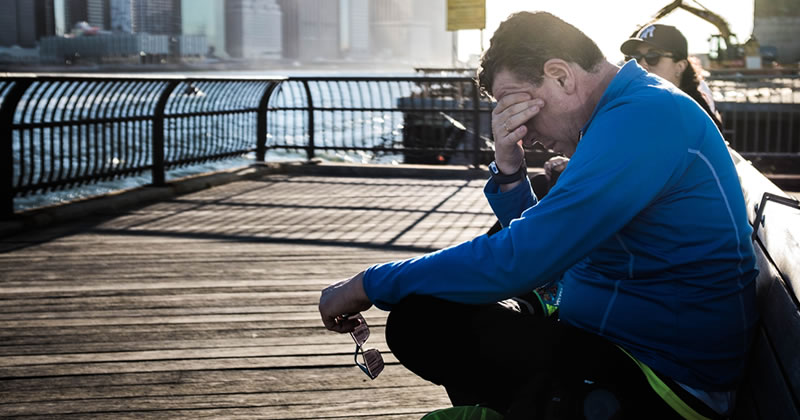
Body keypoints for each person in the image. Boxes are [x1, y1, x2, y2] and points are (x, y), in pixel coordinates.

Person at [319, 11, 757, 420]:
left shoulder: (643, 120)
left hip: (664, 384)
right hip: (622, 345)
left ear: (561, 75)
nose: (516, 125)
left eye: (515, 104)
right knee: (432, 311)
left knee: (425, 323)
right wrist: (509, 169)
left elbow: (525, 259)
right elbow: (548, 245)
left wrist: (366, 284)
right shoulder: (626, 111)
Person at [620, 24, 723, 129]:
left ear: (680, 66)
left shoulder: (695, 117)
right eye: (635, 57)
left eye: (653, 56)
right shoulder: (628, 105)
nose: (641, 65)